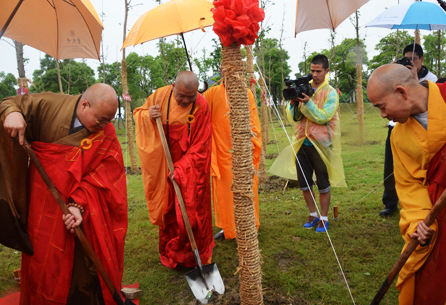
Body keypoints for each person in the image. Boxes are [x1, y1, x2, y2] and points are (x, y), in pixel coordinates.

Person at [0, 83, 128, 305]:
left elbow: (107, 173)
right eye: (100, 120)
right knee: (46, 258)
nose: (105, 126)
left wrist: (78, 204)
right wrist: (12, 113)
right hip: (44, 202)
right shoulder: (49, 105)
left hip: (83, 204)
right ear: (85, 104)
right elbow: (8, 103)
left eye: (109, 120)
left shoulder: (105, 131)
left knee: (82, 259)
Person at [368, 64, 446, 304]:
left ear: (401, 92)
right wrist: (418, 222)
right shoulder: (399, 136)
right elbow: (409, 187)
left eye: (382, 106)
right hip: (439, 215)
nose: (382, 115)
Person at [134, 71, 214, 269]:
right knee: (169, 208)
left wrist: (181, 168)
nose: (186, 100)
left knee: (192, 207)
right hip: (164, 163)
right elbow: (139, 113)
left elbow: (202, 145)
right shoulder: (160, 96)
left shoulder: (201, 105)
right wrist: (149, 116)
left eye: (191, 96)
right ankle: (171, 250)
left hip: (190, 169)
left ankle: (194, 253)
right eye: (181, 96)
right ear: (173, 86)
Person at [269, 54, 346, 233]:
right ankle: (313, 214)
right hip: (301, 142)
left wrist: (308, 103)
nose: (315, 74)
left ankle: (324, 217)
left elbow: (324, 117)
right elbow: (293, 117)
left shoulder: (331, 93)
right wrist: (295, 104)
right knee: (304, 183)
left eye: (318, 71)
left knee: (322, 183)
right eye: (312, 71)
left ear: (327, 71)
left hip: (321, 144)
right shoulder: (302, 89)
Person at [203, 67, 262, 240]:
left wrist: (249, 147)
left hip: (243, 153)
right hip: (221, 153)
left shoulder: (247, 94)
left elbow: (254, 122)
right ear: (221, 70)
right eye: (225, 69)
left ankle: (250, 223)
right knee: (225, 192)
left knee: (246, 189)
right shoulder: (212, 93)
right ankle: (228, 227)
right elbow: (197, 109)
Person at [380, 43, 438, 217]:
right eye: (406, 58)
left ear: (421, 60)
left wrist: (414, 80)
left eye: (413, 59)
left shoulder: (432, 79)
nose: (410, 62)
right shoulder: (398, 76)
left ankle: (429, 203)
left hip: (422, 129)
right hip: (398, 127)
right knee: (393, 167)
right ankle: (390, 202)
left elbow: (421, 98)